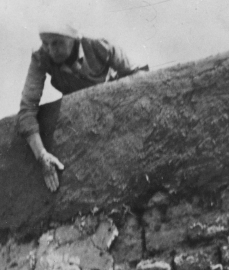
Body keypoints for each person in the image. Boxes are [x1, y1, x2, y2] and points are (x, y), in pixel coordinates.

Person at [18, 22, 148, 193]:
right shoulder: (41, 57)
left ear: (73, 39)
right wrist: (42, 155)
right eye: (45, 43)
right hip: (83, 121)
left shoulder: (98, 44)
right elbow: (27, 109)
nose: (50, 49)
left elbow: (138, 76)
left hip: (113, 107)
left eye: (56, 43)